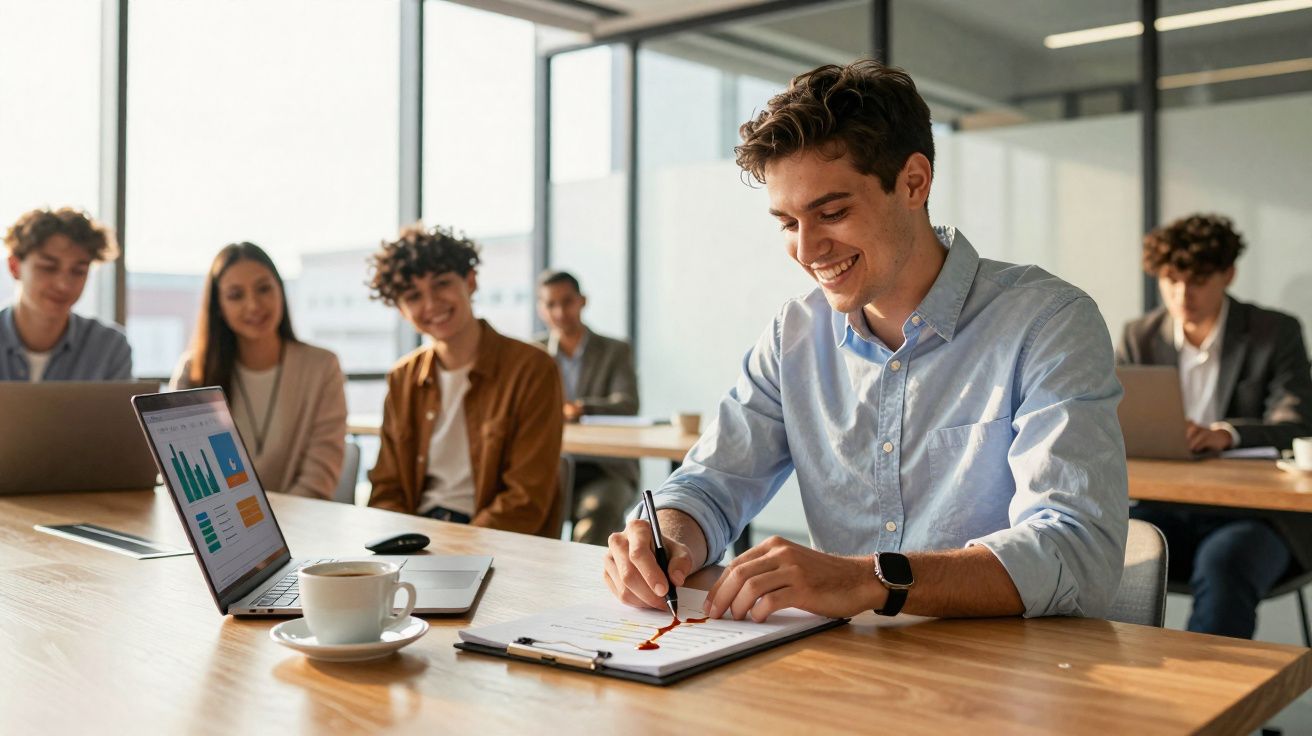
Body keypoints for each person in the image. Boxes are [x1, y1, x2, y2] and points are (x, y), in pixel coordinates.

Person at [603, 59, 1128, 623]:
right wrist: (667, 538)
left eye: (831, 212)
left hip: (1004, 665)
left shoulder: (1048, 322)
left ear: (914, 182)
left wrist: (870, 580)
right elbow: (711, 483)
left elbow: (1077, 553)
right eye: (788, 224)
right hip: (843, 661)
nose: (807, 251)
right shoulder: (793, 335)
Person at [1118, 213, 1312, 639]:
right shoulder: (1140, 336)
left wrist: (1226, 434)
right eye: (1171, 280)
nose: (1182, 294)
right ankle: (1112, 672)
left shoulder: (1275, 332)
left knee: (1224, 562)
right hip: (1168, 506)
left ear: (1228, 275)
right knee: (1109, 546)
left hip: (1259, 516)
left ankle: (1202, 682)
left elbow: (1296, 422)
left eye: (1198, 280)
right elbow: (1115, 421)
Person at [366, 224, 563, 536]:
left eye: (441, 284)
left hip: (497, 539)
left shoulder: (532, 368)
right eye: (413, 296)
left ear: (470, 281)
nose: (431, 304)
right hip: (417, 537)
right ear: (402, 311)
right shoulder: (402, 377)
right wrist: (401, 543)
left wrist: (461, 545)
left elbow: (525, 499)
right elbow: (386, 490)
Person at [172, 243, 346, 500]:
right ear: (219, 306)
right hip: (222, 520)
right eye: (236, 295)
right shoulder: (194, 370)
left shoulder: (322, 367)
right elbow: (184, 473)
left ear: (280, 291)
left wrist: (270, 522)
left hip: (300, 519)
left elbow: (319, 477)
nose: (253, 305)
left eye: (264, 289)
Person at [535, 270, 640, 545]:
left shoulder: (615, 350)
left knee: (599, 513)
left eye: (567, 301)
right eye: (551, 304)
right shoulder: (533, 352)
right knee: (526, 510)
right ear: (541, 309)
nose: (560, 312)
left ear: (582, 301)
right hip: (549, 466)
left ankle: (587, 575)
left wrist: (581, 409)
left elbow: (627, 404)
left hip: (606, 468)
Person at [1, 207, 132, 381]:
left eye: (78, 271)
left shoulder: (110, 347)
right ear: (14, 267)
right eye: (48, 268)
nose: (63, 285)